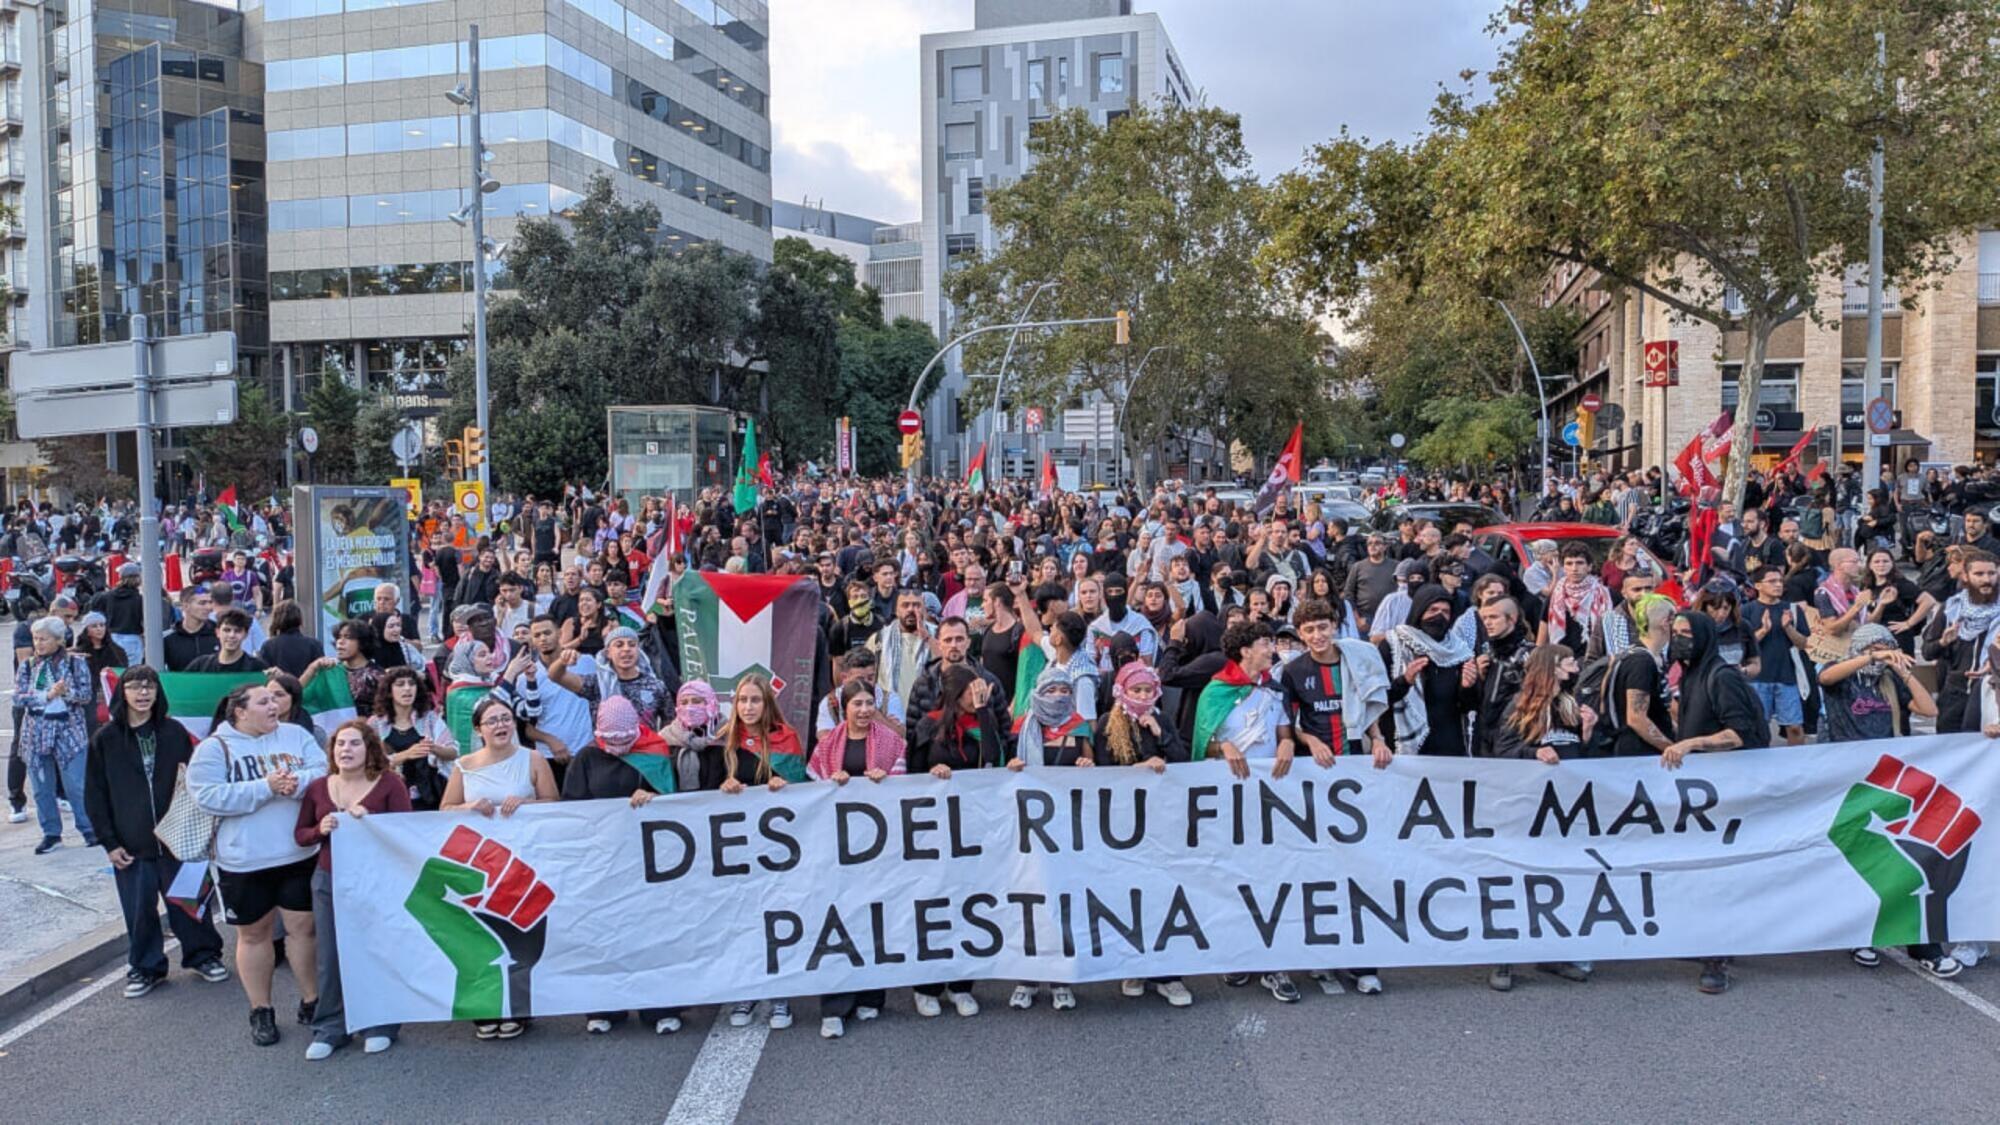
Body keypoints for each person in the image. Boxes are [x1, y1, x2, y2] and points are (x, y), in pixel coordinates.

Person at [188, 683, 328, 1046]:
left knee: (304, 929)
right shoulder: (214, 749)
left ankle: (312, 1000)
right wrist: (265, 787)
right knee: (254, 935)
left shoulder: (296, 734)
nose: (274, 706)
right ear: (239, 711)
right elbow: (208, 796)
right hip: (244, 860)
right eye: (264, 701)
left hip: (298, 854)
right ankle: (261, 1009)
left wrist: (294, 783)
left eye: (276, 699)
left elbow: (322, 771)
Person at [83, 666, 230, 997]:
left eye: (148, 687)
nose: (142, 693)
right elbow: (94, 794)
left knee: (191, 903)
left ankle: (203, 955)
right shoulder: (105, 740)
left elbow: (194, 782)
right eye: (134, 687)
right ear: (123, 693)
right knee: (139, 911)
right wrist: (108, 841)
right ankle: (146, 967)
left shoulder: (174, 732)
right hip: (132, 844)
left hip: (180, 840)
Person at [438, 696, 560, 1040]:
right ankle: (484, 1008)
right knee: (483, 940)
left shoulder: (532, 759)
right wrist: (468, 807)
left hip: (525, 861)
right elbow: (444, 808)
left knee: (523, 939)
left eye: (505, 719)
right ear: (478, 729)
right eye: (491, 721)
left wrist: (526, 803)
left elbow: (554, 804)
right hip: (480, 866)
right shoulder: (464, 765)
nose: (500, 726)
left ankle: (519, 1010)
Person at [569, 697, 686, 1038]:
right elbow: (572, 807)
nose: (618, 746)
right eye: (612, 740)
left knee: (653, 934)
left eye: (625, 738)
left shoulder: (655, 752)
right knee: (606, 935)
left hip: (648, 860)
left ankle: (661, 1007)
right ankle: (605, 1007)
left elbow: (676, 802)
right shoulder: (587, 758)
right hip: (603, 862)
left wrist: (652, 798)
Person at [293, 720, 411, 1059]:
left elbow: (407, 832)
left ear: (370, 748)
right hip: (330, 881)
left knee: (376, 951)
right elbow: (300, 834)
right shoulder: (318, 788)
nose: (346, 750)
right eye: (340, 744)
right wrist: (320, 829)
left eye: (354, 743)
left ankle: (380, 1022)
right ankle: (331, 1026)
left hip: (376, 883)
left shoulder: (390, 784)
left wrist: (372, 822)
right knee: (330, 957)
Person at [1483, 644, 1594, 990]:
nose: (1575, 667)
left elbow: (1578, 754)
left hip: (1564, 809)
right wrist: (1534, 752)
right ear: (1552, 667)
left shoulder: (1569, 705)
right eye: (1569, 661)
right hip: (1527, 807)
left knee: (1559, 879)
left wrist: (1587, 733)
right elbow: (1503, 750)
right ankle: (1503, 957)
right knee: (1519, 880)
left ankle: (1554, 952)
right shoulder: (1521, 705)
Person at [806, 680, 906, 1038]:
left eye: (869, 703)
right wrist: (831, 784)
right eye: (856, 704)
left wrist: (884, 784)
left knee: (872, 919)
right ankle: (834, 1006)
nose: (864, 710)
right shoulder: (827, 745)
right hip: (837, 848)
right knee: (836, 919)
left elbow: (906, 793)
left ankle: (871, 996)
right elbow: (811, 796)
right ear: (843, 708)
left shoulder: (893, 743)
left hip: (877, 849)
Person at [1095, 661, 1197, 1008]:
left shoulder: (1162, 721)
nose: (1141, 696)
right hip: (1124, 829)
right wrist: (1136, 772)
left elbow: (1183, 762)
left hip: (1162, 827)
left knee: (1165, 898)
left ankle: (1169, 976)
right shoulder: (1107, 726)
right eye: (1135, 690)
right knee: (1130, 899)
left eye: (1147, 691)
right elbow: (1101, 776)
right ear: (1122, 690)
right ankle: (1134, 968)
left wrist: (1160, 735)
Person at [710, 676, 808, 1030]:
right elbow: (704, 792)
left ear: (767, 704)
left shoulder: (787, 739)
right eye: (742, 700)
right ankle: (748, 990)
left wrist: (786, 787)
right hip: (738, 848)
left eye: (755, 700)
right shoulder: (724, 741)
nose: (748, 707)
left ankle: (781, 994)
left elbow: (806, 791)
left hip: (777, 848)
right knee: (745, 919)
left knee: (778, 917)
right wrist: (724, 786)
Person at [907, 665, 1004, 1017]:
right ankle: (927, 985)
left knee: (969, 906)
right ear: (954, 693)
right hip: (934, 833)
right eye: (971, 692)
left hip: (972, 831)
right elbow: (912, 776)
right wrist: (931, 778)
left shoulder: (982, 721)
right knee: (934, 907)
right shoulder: (929, 724)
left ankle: (961, 985)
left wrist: (984, 711)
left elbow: (993, 757)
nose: (976, 695)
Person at [17, 615, 97, 853]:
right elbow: (20, 697)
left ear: (58, 640)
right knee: (42, 787)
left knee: (77, 785)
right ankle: (51, 833)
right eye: (36, 639)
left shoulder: (75, 664)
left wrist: (66, 692)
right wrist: (47, 695)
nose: (39, 644)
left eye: (44, 639)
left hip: (68, 732)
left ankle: (88, 828)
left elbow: (86, 696)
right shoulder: (28, 666)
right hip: (36, 733)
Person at [370, 666, 459, 811]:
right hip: (390, 797)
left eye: (411, 684)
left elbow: (453, 752)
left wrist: (432, 748)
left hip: (429, 796)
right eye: (400, 684)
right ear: (389, 691)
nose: (407, 689)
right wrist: (404, 755)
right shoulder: (376, 724)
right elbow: (369, 763)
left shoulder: (430, 718)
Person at [1742, 567, 1812, 746]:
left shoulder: (1792, 609)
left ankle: (1796, 765)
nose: (1778, 585)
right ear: (1758, 585)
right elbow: (1743, 646)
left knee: (1795, 727)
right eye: (1772, 581)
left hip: (1787, 677)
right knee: (1759, 727)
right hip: (1757, 678)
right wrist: (1763, 631)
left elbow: (1803, 643)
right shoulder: (1746, 611)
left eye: (1780, 581)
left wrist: (1788, 628)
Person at [187, 607, 269, 674]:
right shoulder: (200, 665)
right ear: (218, 632)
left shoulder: (257, 668)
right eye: (227, 630)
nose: (232, 635)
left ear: (245, 635)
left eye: (237, 631)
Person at [259, 600, 322, 679]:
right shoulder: (314, 644)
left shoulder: (268, 646)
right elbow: (321, 675)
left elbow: (263, 676)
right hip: (309, 690)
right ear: (300, 619)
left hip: (279, 689)